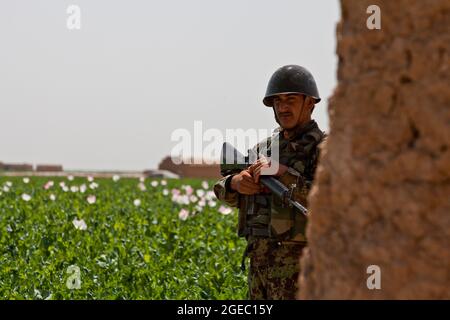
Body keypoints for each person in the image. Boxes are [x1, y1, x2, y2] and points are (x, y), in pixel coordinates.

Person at [213, 65, 326, 299]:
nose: (283, 107)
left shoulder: (325, 149)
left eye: (291, 100)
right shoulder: (262, 150)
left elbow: (331, 202)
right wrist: (236, 183)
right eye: (278, 101)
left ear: (310, 103)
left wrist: (283, 173)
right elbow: (222, 189)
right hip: (259, 269)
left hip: (303, 272)